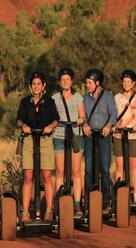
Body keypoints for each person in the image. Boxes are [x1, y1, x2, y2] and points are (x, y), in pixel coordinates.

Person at [16, 71, 59, 222]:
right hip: (29, 140)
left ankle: (48, 210)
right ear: (30, 86)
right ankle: (25, 212)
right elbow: (19, 121)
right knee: (28, 176)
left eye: (39, 84)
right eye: (33, 84)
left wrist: (50, 127)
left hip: (45, 140)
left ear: (43, 85)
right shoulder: (24, 102)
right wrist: (24, 126)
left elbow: (56, 120)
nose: (36, 86)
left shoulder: (49, 102)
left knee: (46, 176)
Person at [52, 67, 85, 218]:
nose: (65, 82)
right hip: (59, 135)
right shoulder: (55, 98)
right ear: (60, 82)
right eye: (62, 79)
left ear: (72, 81)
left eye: (68, 79)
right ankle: (59, 203)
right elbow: (52, 117)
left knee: (76, 172)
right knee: (59, 172)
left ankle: (77, 204)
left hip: (75, 136)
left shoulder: (78, 97)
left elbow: (83, 116)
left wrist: (80, 120)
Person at [82, 69, 117, 214]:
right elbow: (82, 115)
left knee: (104, 168)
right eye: (87, 83)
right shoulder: (85, 99)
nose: (87, 85)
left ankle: (106, 202)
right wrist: (84, 124)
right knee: (89, 170)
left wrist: (108, 126)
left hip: (104, 137)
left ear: (97, 83)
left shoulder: (108, 96)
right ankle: (89, 201)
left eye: (89, 83)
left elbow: (113, 114)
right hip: (90, 137)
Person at [113, 69, 136, 205]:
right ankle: (120, 194)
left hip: (135, 134)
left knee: (134, 165)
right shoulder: (116, 98)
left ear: (133, 84)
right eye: (124, 81)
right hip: (119, 135)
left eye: (128, 82)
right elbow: (113, 116)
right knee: (119, 166)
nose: (126, 84)